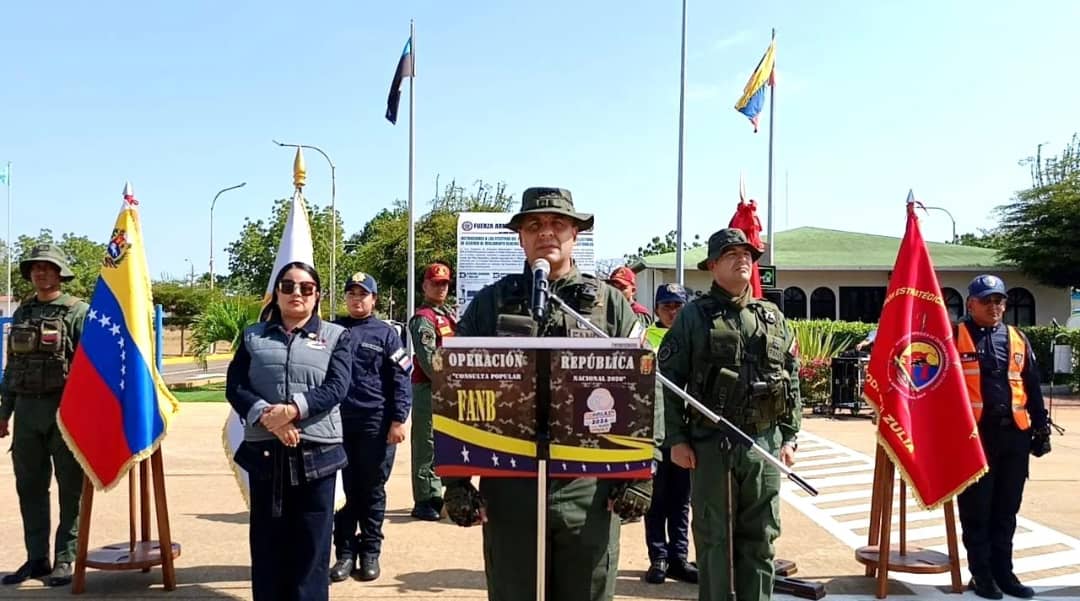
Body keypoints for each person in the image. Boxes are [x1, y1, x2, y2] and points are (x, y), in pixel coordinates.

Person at [444, 187, 645, 601]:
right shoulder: (491, 303)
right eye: (534, 225)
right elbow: (457, 387)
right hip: (510, 478)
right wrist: (456, 481)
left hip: (588, 482)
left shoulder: (609, 305)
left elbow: (644, 390)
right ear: (521, 237)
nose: (546, 232)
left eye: (558, 224)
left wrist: (640, 475)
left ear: (575, 234)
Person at [659, 228, 801, 601]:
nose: (742, 260)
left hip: (764, 443)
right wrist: (676, 439)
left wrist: (790, 436)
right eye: (731, 254)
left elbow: (791, 377)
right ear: (712, 265)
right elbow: (667, 381)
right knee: (714, 537)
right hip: (711, 444)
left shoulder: (771, 316)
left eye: (747, 254)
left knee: (762, 536)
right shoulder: (693, 316)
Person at [226, 262, 353, 601]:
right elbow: (236, 386)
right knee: (268, 545)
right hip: (266, 454)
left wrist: (293, 410)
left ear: (317, 295)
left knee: (311, 547)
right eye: (288, 286)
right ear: (277, 292)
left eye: (306, 288)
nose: (296, 293)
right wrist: (269, 417)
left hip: (317, 457)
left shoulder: (336, 336)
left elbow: (337, 386)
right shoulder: (253, 336)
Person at [955, 274, 1050, 600]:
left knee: (1007, 509)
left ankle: (1004, 573)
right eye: (986, 301)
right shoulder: (954, 337)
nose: (994, 306)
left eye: (999, 300)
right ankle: (981, 575)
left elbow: (1031, 386)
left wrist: (1041, 428)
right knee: (976, 510)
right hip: (975, 438)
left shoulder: (1018, 337)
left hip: (1014, 437)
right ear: (971, 304)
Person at [0, 245, 89, 588]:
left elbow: (92, 368)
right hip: (26, 411)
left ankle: (65, 557)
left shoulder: (78, 312)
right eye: (35, 268)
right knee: (30, 487)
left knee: (70, 489)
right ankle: (37, 558)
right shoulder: (23, 312)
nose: (41, 273)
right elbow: (13, 366)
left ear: (60, 273)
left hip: (64, 412)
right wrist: (5, 412)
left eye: (48, 267)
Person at [330, 272, 412, 583]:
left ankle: (370, 552)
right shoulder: (333, 330)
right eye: (351, 293)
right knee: (343, 492)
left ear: (374, 299)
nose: (356, 299)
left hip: (375, 425)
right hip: (338, 425)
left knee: (372, 490)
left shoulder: (387, 334)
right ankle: (344, 554)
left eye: (362, 294)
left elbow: (402, 377)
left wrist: (398, 420)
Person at [642, 283, 698, 585]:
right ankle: (658, 558)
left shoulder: (695, 337)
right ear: (656, 309)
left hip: (686, 433)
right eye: (666, 306)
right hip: (655, 432)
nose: (672, 312)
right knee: (655, 499)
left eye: (678, 306)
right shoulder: (644, 339)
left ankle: (679, 557)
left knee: (681, 500)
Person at [408, 262, 457, 521]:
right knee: (426, 442)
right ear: (425, 285)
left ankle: (438, 492)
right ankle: (425, 498)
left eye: (444, 283)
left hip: (447, 387)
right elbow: (428, 359)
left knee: (442, 442)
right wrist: (446, 381)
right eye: (436, 283)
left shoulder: (447, 314)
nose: (441, 288)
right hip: (429, 387)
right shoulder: (423, 318)